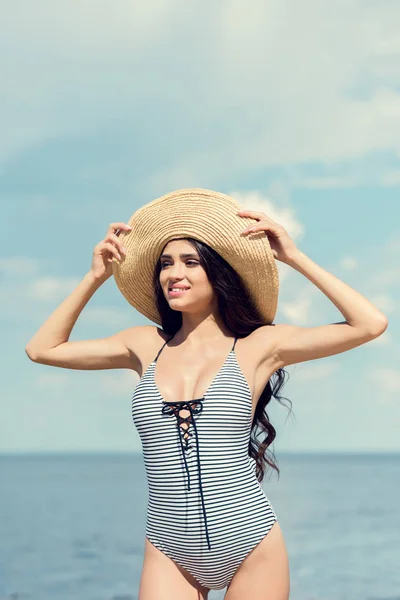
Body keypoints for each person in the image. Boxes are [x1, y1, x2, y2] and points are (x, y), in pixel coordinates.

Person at [25, 188, 388, 600]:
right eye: (164, 264)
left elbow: (369, 323)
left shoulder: (257, 347)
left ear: (219, 273)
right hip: (167, 548)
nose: (172, 274)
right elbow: (42, 349)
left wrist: (292, 256)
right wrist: (95, 277)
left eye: (189, 262)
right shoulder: (143, 345)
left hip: (250, 542)